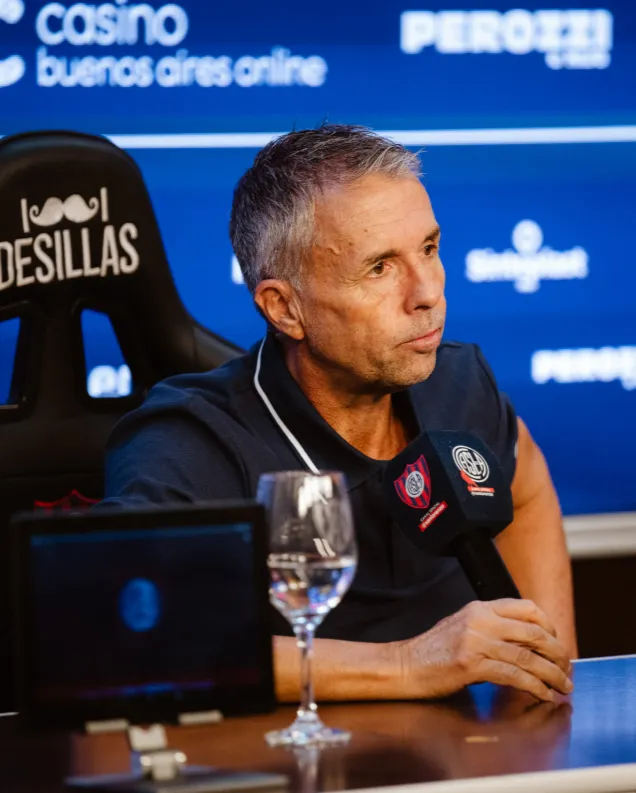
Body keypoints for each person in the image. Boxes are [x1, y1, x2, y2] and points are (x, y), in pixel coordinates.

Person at [102, 124, 577, 703]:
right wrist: (408, 665)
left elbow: (525, 484)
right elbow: (126, 639)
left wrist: (544, 686)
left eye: (429, 249)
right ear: (285, 308)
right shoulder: (192, 443)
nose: (427, 293)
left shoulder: (457, 383)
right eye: (380, 268)